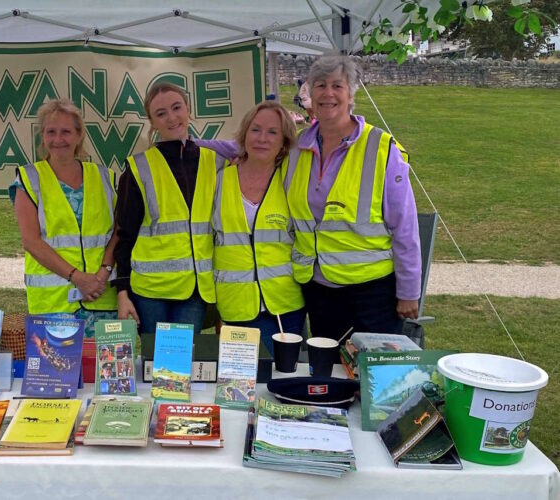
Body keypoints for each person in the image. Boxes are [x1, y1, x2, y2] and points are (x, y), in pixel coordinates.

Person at [201, 55, 421, 341]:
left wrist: (408, 291)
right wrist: (182, 139)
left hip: (372, 291)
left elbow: (405, 226)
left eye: (337, 86)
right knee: (327, 378)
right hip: (319, 292)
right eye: (320, 86)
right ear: (310, 93)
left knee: (374, 379)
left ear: (352, 94)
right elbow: (250, 144)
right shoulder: (297, 149)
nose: (328, 93)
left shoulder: (381, 147)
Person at [113, 82, 223, 334]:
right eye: (161, 113)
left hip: (194, 290)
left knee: (180, 369)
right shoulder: (138, 169)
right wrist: (122, 291)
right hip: (150, 291)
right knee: (154, 366)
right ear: (152, 122)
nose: (172, 118)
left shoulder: (216, 163)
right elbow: (125, 235)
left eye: (177, 108)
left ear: (189, 110)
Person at [11, 99, 118, 336]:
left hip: (102, 298)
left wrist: (103, 273)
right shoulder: (29, 179)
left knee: (103, 371)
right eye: (51, 132)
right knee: (58, 372)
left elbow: (117, 231)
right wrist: (77, 277)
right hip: (54, 304)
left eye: (66, 132)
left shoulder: (104, 177)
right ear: (43, 136)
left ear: (79, 135)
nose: (58, 139)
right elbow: (31, 242)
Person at [210, 101, 305, 356]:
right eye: (256, 130)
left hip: (286, 306)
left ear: (284, 141)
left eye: (273, 132)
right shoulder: (219, 180)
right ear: (244, 134)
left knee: (285, 382)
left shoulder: (291, 180)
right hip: (236, 306)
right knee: (241, 389)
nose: (262, 138)